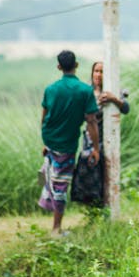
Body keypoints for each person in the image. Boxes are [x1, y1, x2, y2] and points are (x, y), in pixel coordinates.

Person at [38, 50, 100, 236]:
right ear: (77, 65)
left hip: (50, 142)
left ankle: (47, 209)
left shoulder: (51, 89)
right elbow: (91, 121)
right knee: (61, 185)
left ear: (59, 67)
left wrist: (46, 142)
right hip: (66, 146)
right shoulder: (85, 91)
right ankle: (56, 229)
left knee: (48, 176)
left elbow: (44, 118)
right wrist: (96, 148)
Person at [70, 61, 129, 208]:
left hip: (109, 140)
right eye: (96, 71)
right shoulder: (86, 92)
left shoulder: (114, 91)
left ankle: (106, 209)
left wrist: (114, 99)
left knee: (106, 175)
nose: (98, 75)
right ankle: (92, 211)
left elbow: (126, 108)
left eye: (102, 72)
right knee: (90, 176)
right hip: (90, 141)